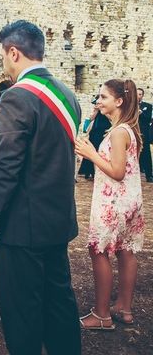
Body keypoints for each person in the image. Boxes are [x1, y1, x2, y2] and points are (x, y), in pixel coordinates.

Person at [0, 20, 82, 355]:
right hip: (57, 218)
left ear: (14, 53)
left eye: (2, 56)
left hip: (23, 224)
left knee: (21, 309)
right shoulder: (68, 94)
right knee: (59, 301)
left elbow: (7, 166)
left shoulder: (17, 97)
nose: (3, 64)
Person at [75, 79, 144, 329]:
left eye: (103, 97)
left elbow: (117, 172)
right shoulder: (128, 129)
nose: (98, 101)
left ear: (119, 101)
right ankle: (124, 307)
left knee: (99, 250)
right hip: (130, 200)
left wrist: (91, 154)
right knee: (126, 251)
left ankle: (102, 315)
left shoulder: (117, 132)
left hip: (112, 201)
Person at [77, 95, 111, 181]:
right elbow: (91, 118)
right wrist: (96, 110)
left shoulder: (108, 109)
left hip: (104, 131)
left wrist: (102, 110)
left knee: (100, 151)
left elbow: (111, 119)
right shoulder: (98, 109)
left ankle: (98, 171)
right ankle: (88, 172)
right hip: (95, 131)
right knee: (91, 150)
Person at [137, 87, 152, 182]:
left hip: (144, 134)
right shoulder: (129, 106)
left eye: (140, 94)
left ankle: (149, 175)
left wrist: (141, 113)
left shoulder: (148, 106)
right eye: (136, 94)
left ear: (142, 95)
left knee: (146, 154)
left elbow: (148, 119)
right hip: (133, 133)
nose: (138, 96)